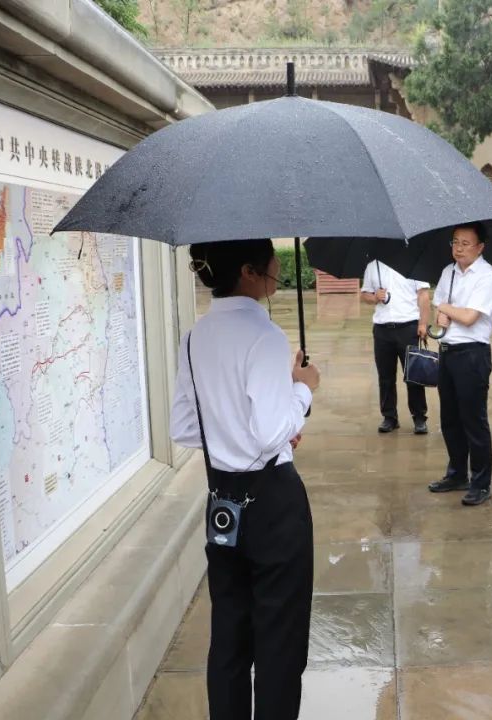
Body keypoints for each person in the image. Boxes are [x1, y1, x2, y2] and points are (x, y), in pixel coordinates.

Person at [169, 239, 320, 720]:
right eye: (271, 259)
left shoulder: (194, 338)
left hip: (223, 501)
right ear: (250, 271)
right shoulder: (265, 337)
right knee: (280, 641)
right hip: (273, 504)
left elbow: (184, 427)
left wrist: (236, 430)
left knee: (229, 636)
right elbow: (272, 432)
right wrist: (302, 391)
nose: (277, 265)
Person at [426, 222, 492, 506]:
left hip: (472, 354)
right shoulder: (449, 272)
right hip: (447, 351)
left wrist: (446, 309)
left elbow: (470, 317)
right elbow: (439, 306)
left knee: (474, 420)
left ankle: (481, 483)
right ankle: (457, 474)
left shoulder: (487, 276)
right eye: (455, 242)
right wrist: (443, 313)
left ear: (480, 247)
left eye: (465, 243)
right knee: (450, 418)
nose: (458, 248)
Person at [361, 259, 430, 434]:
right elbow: (365, 294)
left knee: (414, 375)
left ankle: (419, 417)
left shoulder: (414, 261)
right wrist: (374, 297)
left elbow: (423, 294)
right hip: (382, 329)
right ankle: (389, 417)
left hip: (408, 328)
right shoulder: (373, 266)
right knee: (385, 377)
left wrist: (423, 324)